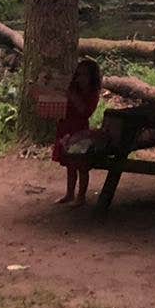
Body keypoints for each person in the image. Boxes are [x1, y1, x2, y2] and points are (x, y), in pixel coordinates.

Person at [55, 57, 102, 206]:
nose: (81, 79)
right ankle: (69, 194)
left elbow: (85, 111)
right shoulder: (72, 89)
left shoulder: (93, 93)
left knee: (81, 165)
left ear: (91, 77)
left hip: (80, 131)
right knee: (70, 164)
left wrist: (72, 97)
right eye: (79, 75)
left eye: (85, 75)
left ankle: (81, 196)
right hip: (66, 127)